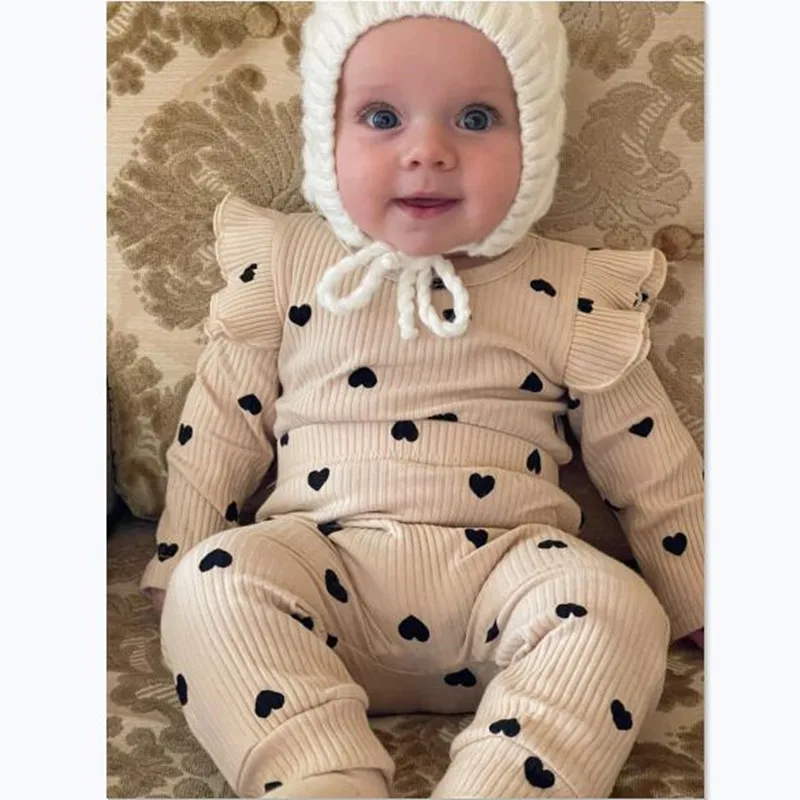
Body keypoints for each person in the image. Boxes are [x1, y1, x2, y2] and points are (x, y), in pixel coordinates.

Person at [140, 2, 704, 797]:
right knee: (214, 581)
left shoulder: (574, 287)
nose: (428, 151)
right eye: (382, 118)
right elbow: (221, 423)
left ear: (535, 140)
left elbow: (650, 463)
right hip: (319, 574)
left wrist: (702, 593)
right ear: (326, 137)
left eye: (475, 119)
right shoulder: (289, 261)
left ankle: (505, 784)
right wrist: (180, 553)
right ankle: (319, 778)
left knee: (621, 606)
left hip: (510, 582)